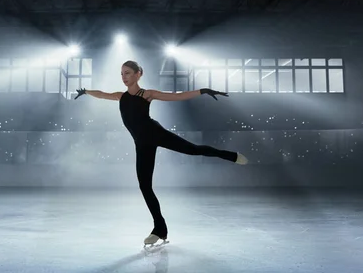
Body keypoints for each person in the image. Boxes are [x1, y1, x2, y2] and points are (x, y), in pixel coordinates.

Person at [74, 60, 248, 246]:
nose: (124, 77)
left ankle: (230, 156)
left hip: (156, 134)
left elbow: (177, 96)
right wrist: (86, 92)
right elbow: (102, 95)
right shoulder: (120, 96)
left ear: (138, 74)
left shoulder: (147, 94)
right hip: (141, 144)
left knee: (194, 150)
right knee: (144, 186)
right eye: (122, 74)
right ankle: (160, 228)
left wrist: (202, 91)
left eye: (128, 73)